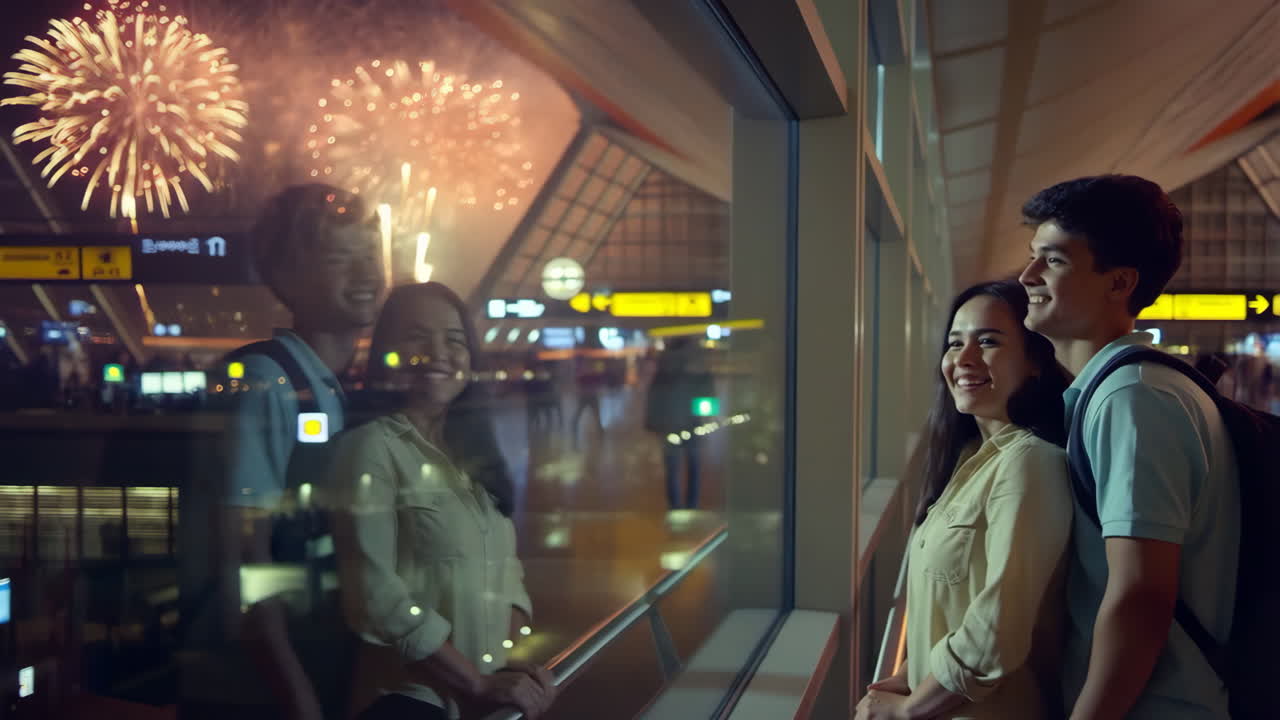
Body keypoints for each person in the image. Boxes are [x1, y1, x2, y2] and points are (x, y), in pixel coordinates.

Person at [1019, 175, 1240, 719]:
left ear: (1119, 282)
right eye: (1032, 256)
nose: (1027, 276)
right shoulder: (1118, 390)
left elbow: (1142, 593)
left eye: (1053, 260)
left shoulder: (1133, 398)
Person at [182, 183, 384, 720]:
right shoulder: (265, 381)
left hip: (313, 653)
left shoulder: (324, 385)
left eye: (371, 254)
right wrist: (295, 695)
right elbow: (244, 554)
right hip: (262, 684)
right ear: (287, 276)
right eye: (340, 258)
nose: (366, 273)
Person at [326, 282, 555, 720]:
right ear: (386, 354)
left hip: (481, 701)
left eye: (454, 340)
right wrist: (474, 682)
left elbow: (507, 574)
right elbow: (375, 597)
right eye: (417, 337)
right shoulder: (371, 448)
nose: (438, 353)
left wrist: (503, 668)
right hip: (411, 701)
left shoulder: (472, 457)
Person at [856, 279, 1072, 720]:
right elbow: (954, 607)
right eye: (955, 343)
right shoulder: (971, 461)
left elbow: (996, 630)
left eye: (988, 341)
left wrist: (907, 709)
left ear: (1034, 361)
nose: (963, 359)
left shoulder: (1029, 463)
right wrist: (913, 672)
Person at [644, 336, 716, 510]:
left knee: (672, 468)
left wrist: (653, 424)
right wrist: (706, 418)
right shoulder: (697, 366)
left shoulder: (664, 367)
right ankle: (692, 505)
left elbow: (654, 398)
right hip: (693, 423)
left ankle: (675, 506)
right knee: (693, 466)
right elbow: (707, 397)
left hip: (669, 423)